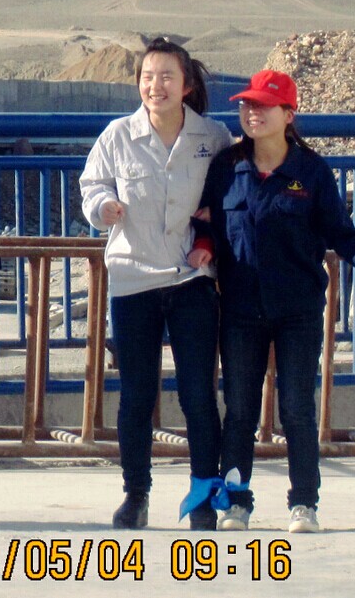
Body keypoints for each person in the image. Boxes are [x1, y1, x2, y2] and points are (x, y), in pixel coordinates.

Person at [199, 69, 355, 534]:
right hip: (240, 309)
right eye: (247, 105)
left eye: (263, 106)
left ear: (288, 114)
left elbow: (339, 230)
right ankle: (236, 503)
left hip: (297, 310)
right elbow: (204, 223)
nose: (252, 113)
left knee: (297, 409)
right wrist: (201, 245)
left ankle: (304, 503)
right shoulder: (225, 168)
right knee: (239, 410)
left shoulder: (311, 171)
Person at [79, 38, 232, 530]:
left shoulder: (214, 137)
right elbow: (93, 185)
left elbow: (230, 197)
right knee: (137, 394)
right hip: (133, 278)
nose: (155, 85)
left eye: (166, 76)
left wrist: (209, 237)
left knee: (198, 393)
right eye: (147, 77)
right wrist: (103, 207)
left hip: (191, 278)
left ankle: (203, 494)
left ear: (186, 85)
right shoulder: (117, 135)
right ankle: (136, 493)